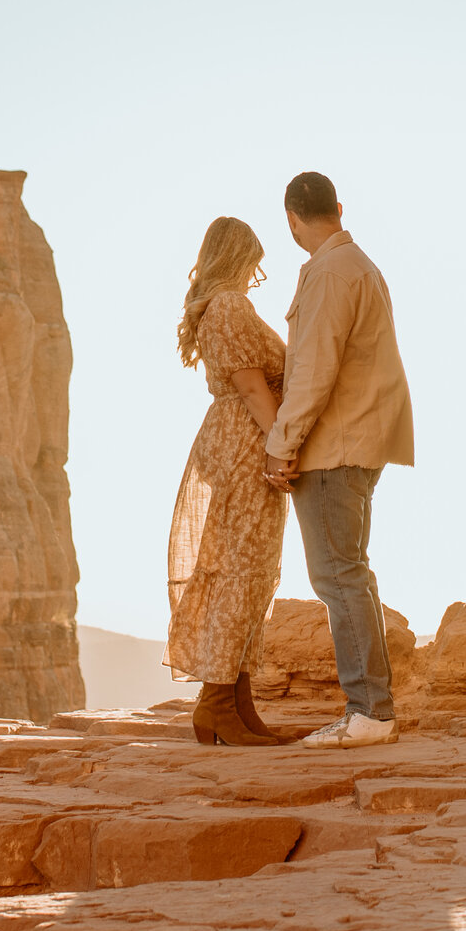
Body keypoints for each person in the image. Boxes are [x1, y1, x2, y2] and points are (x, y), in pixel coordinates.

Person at [264, 171, 414, 748]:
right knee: (351, 571)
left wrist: (281, 442)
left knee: (338, 575)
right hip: (361, 439)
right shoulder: (358, 265)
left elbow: (315, 371)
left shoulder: (330, 272)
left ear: (291, 218)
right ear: (339, 207)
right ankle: (372, 709)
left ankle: (369, 713)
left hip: (336, 444)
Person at [163, 215, 299, 745]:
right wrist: (280, 445)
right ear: (238, 258)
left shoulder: (215, 305)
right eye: (255, 264)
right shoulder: (230, 306)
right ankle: (217, 703)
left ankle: (234, 705)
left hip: (232, 439)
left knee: (245, 568)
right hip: (247, 440)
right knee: (243, 570)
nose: (256, 275)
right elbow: (250, 386)